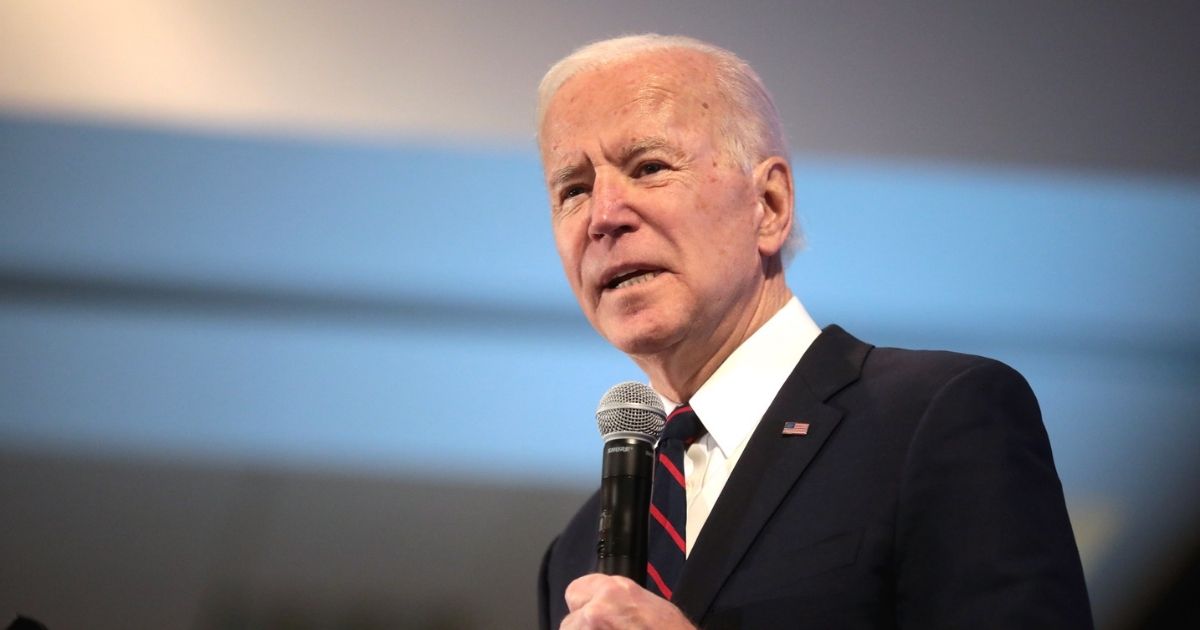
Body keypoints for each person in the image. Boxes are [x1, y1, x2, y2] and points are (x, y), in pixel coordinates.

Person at [535, 34, 1092, 629]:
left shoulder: (937, 415)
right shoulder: (572, 557)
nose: (603, 217)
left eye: (649, 168)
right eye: (573, 190)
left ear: (769, 204)